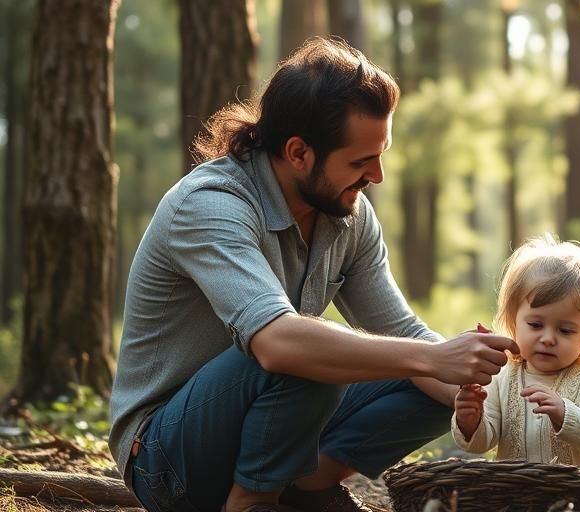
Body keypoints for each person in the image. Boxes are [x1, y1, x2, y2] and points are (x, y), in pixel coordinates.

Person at [108, 38, 517, 512]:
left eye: (381, 154)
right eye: (361, 161)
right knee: (310, 350)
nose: (377, 177)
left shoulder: (348, 213)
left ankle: (308, 484)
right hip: (167, 458)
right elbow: (280, 344)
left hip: (269, 420)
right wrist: (432, 358)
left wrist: (494, 404)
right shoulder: (209, 205)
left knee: (422, 373)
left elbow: (402, 333)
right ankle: (254, 500)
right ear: (299, 152)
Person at [452, 235, 580, 470]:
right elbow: (482, 443)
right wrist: (470, 420)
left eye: (565, 330)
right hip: (520, 496)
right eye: (535, 325)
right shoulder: (502, 377)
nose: (547, 339)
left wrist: (566, 414)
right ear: (514, 322)